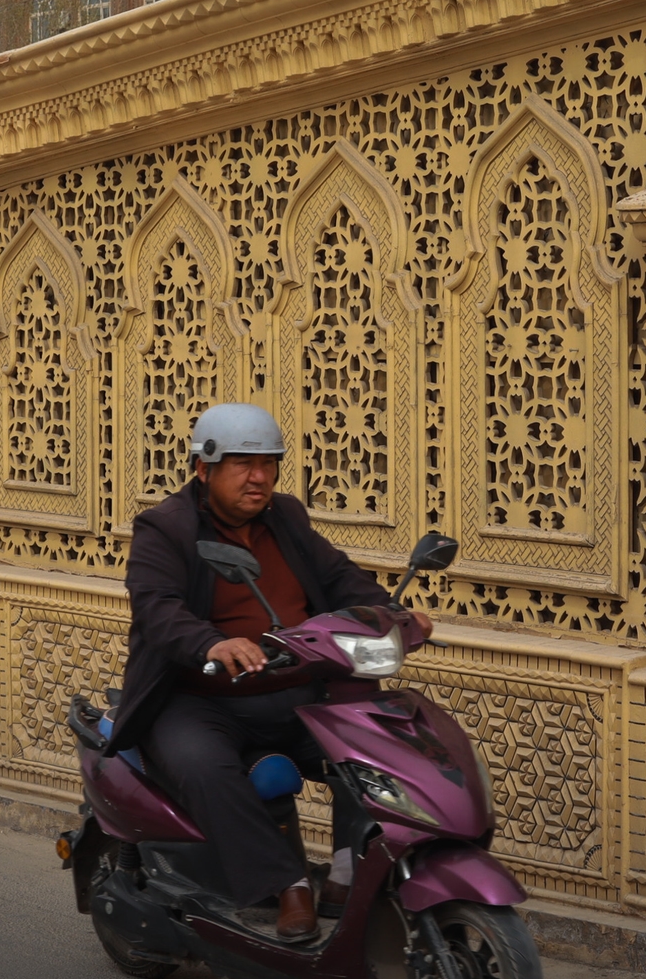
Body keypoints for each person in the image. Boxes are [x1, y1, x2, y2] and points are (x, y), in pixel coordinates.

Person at [103, 403, 434, 941]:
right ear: (204, 468)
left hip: (296, 687)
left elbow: (339, 576)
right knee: (204, 768)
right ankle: (287, 885)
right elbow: (158, 608)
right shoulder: (165, 528)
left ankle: (346, 873)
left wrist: (392, 614)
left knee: (372, 740)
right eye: (242, 464)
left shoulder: (286, 516)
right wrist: (211, 642)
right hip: (200, 698)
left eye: (268, 464)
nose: (259, 478)